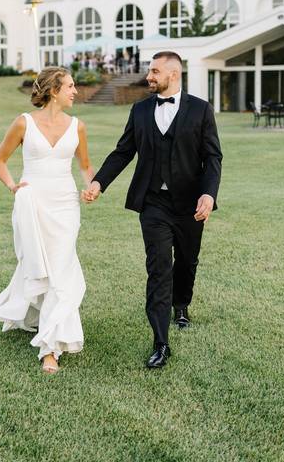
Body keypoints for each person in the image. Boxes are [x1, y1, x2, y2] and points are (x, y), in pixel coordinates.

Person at [83, 51, 222, 369]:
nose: (149, 76)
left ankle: (182, 304)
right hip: (153, 205)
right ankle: (161, 342)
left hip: (189, 203)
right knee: (158, 268)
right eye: (150, 70)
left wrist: (208, 195)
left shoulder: (200, 110)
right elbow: (123, 152)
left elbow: (213, 157)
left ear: (173, 74)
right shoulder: (140, 110)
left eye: (155, 71)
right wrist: (98, 183)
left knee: (187, 261)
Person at [0, 67, 95, 374]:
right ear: (53, 90)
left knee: (61, 268)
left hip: (65, 205)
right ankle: (39, 322)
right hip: (32, 203)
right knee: (38, 266)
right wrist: (12, 186)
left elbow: (86, 166)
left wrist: (92, 186)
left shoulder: (78, 127)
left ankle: (50, 347)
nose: (75, 91)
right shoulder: (24, 123)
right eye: (70, 86)